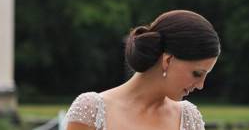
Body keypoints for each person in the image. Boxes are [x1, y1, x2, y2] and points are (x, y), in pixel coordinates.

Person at [65, 10, 220, 130]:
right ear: (168, 60)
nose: (200, 85)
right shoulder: (91, 110)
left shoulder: (189, 119)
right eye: (197, 74)